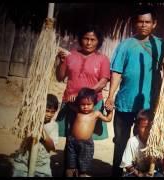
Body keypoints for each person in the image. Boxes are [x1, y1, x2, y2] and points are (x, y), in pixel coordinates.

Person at [105, 6, 164, 176]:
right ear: (135, 23)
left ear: (154, 24)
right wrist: (110, 96)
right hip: (125, 102)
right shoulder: (125, 45)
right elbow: (116, 71)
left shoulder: (161, 45)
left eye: (147, 22)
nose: (143, 25)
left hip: (147, 105)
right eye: (140, 21)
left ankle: (140, 172)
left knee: (143, 141)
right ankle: (118, 173)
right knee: (120, 141)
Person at [56, 24, 110, 176]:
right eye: (86, 38)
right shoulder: (71, 55)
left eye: (93, 39)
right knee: (70, 138)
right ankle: (69, 169)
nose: (89, 42)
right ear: (81, 39)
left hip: (91, 104)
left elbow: (104, 80)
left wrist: (85, 95)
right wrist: (61, 62)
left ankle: (83, 171)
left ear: (98, 41)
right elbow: (60, 77)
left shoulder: (102, 59)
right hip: (71, 103)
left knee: (86, 139)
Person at [66, 88, 113, 177]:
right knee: (70, 167)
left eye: (89, 104)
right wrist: (71, 99)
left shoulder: (96, 114)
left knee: (83, 169)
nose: (85, 107)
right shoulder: (78, 110)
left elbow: (108, 119)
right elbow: (69, 104)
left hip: (86, 144)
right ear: (79, 103)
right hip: (72, 141)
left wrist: (110, 111)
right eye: (83, 104)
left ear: (94, 104)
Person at [12, 94, 59, 177]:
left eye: (53, 112)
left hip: (41, 164)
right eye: (47, 110)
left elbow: (52, 147)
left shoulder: (54, 125)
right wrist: (35, 122)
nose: (49, 114)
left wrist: (42, 132)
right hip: (23, 161)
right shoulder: (30, 121)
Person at [120, 109, 163, 177]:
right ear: (137, 127)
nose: (147, 130)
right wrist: (139, 174)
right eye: (143, 127)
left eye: (149, 127)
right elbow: (127, 164)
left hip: (154, 172)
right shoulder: (132, 141)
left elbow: (161, 162)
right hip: (137, 172)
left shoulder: (156, 141)